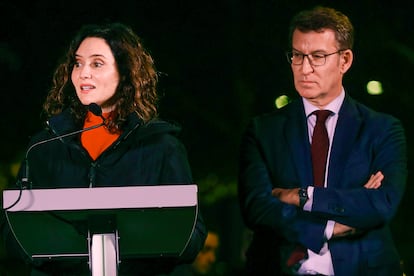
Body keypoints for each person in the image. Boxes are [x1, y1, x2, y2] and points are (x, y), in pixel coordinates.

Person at [1, 22, 207, 275]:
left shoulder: (162, 147)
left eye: (97, 63)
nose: (83, 73)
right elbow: (12, 229)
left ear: (125, 72)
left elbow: (192, 234)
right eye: (78, 63)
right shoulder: (44, 147)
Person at [238, 6, 407, 276]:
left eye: (317, 56)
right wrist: (328, 227)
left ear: (345, 60)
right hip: (280, 266)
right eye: (297, 55)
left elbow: (381, 204)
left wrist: (300, 196)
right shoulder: (263, 130)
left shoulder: (382, 129)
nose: (305, 68)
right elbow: (257, 207)